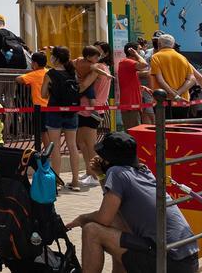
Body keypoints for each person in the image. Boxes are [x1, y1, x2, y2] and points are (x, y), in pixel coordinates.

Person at [66, 132, 199, 273]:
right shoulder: (143, 170)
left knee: (92, 230)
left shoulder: (117, 172)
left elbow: (104, 218)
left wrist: (82, 219)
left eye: (104, 156)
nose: (100, 158)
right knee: (118, 228)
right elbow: (114, 209)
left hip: (169, 261)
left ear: (111, 159)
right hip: (186, 260)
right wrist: (101, 175)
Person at [42, 46, 83, 191]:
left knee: (55, 147)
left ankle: (57, 182)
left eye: (52, 55)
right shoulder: (72, 72)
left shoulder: (50, 74)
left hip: (54, 112)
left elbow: (43, 94)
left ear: (56, 58)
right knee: (72, 146)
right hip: (72, 113)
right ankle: (75, 181)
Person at [76, 45, 113, 187]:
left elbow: (84, 85)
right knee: (83, 143)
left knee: (89, 145)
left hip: (89, 109)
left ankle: (95, 174)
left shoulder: (97, 68)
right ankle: (89, 171)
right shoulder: (105, 67)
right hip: (93, 108)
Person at [149, 34, 196, 120]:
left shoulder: (156, 57)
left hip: (163, 100)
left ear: (159, 44)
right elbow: (192, 79)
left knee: (164, 129)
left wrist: (174, 95)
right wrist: (178, 93)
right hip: (183, 100)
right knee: (180, 129)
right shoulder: (182, 58)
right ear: (173, 45)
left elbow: (160, 80)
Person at [16, 51, 50, 147]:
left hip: (40, 107)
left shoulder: (34, 74)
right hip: (51, 106)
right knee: (51, 130)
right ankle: (52, 150)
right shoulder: (49, 72)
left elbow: (19, 79)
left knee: (42, 131)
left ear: (35, 63)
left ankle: (48, 151)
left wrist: (30, 75)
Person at [118, 43, 151, 129]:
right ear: (132, 51)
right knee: (134, 133)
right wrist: (136, 54)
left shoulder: (129, 65)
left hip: (134, 105)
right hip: (130, 106)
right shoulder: (127, 62)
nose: (141, 52)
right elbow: (144, 65)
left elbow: (128, 81)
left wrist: (141, 88)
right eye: (139, 49)